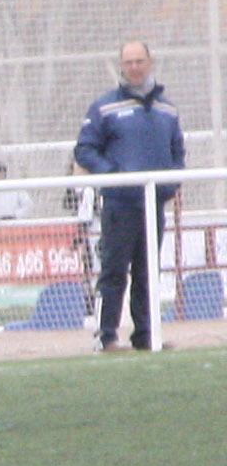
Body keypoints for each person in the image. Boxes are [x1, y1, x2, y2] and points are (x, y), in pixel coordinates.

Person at [73, 39, 186, 352]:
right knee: (113, 272)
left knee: (148, 273)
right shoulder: (104, 107)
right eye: (128, 62)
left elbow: (178, 152)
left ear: (150, 63)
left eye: (140, 61)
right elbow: (85, 149)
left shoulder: (167, 109)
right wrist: (112, 176)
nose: (134, 67)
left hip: (153, 206)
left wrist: (169, 184)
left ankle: (147, 335)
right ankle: (106, 336)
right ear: (121, 66)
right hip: (120, 206)